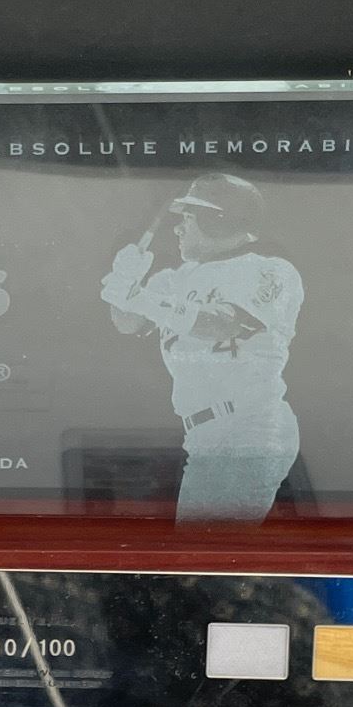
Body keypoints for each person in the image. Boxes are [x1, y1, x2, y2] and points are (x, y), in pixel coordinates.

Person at [99, 174, 302, 521]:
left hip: (250, 427)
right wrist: (124, 280)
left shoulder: (269, 270)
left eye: (188, 218)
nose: (178, 228)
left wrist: (141, 298)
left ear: (216, 220)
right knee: (199, 541)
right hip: (204, 434)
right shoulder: (175, 278)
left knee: (206, 542)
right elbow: (128, 322)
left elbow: (224, 324)